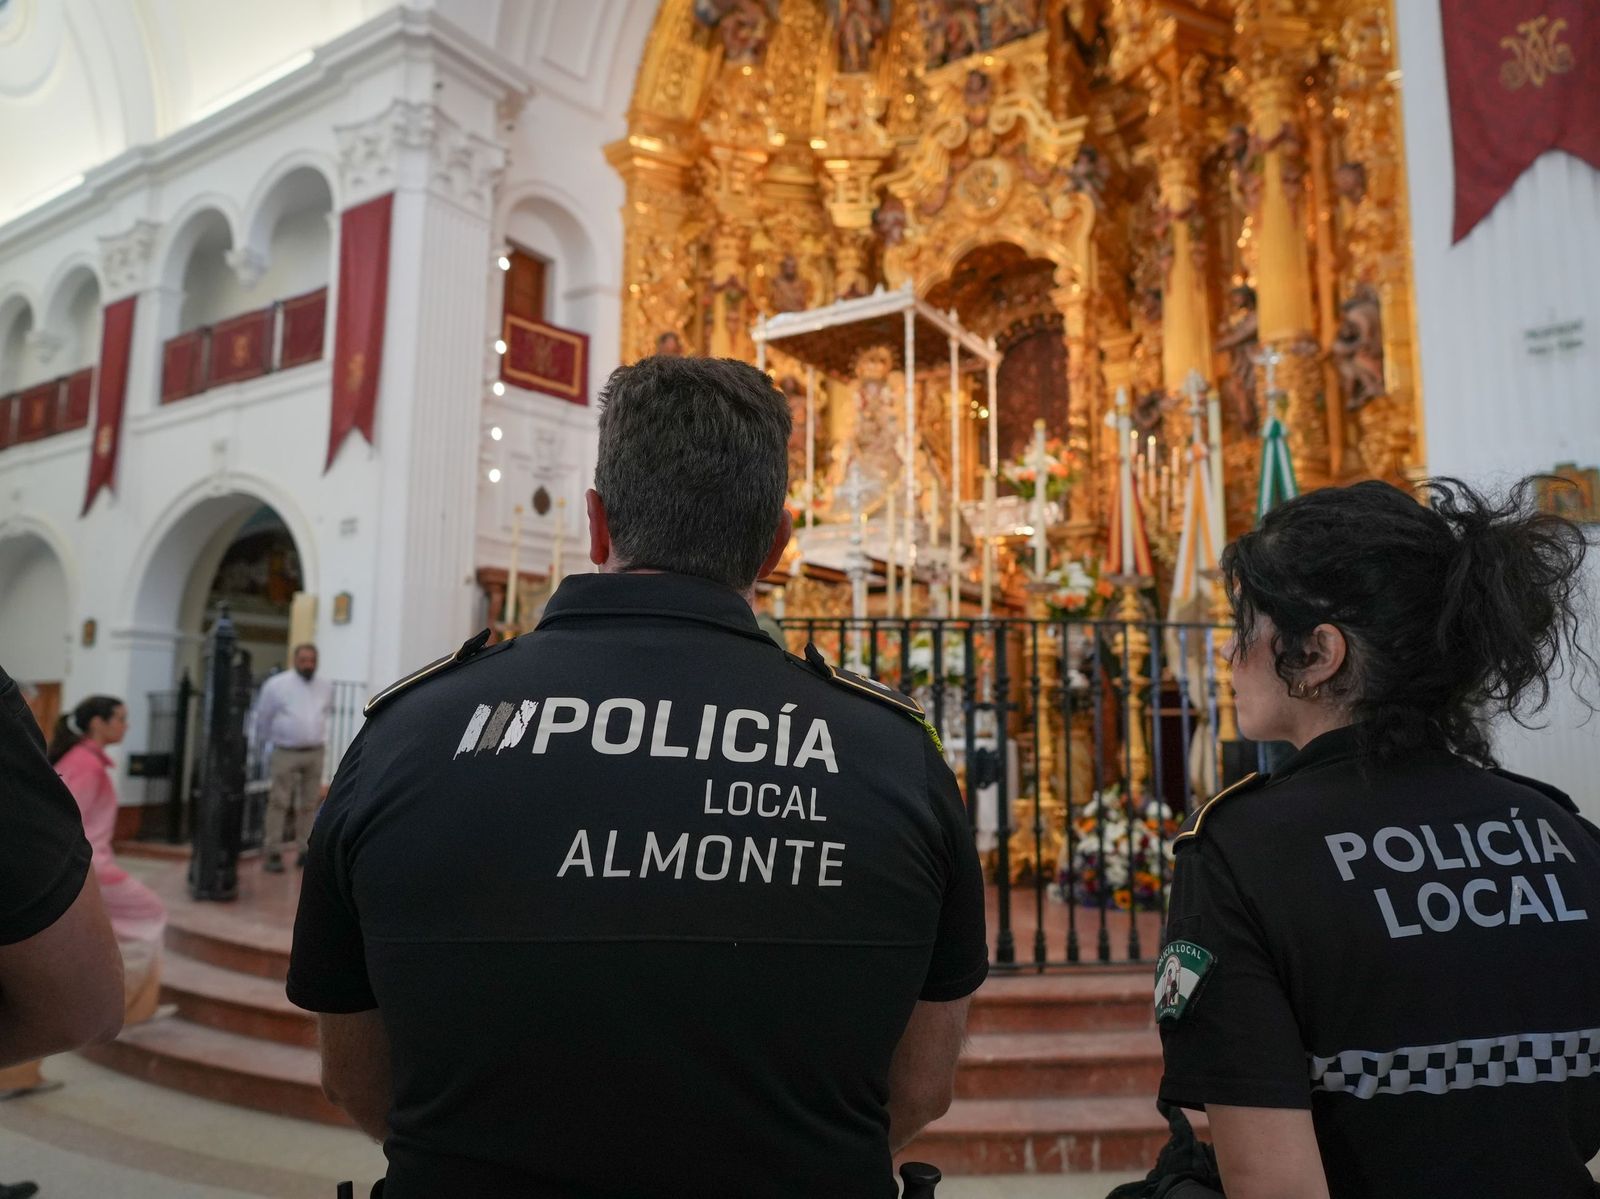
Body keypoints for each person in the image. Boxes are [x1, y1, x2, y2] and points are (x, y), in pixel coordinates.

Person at [288, 355, 988, 1198]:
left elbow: (353, 1077)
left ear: (595, 522)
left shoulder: (405, 736)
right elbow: (922, 1087)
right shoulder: (894, 755)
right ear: (778, 543)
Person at [1155, 477, 1599, 1198]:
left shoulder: (1243, 852)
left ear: (1318, 652)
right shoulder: (1564, 832)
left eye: (1246, 625)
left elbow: (1278, 1186)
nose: (1228, 652)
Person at [0, 667, 123, 1103]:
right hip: (69, 876)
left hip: (64, 872)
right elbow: (86, 1013)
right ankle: (17, 1076)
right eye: (120, 718)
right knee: (40, 987)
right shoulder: (83, 765)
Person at [48, 696, 171, 1025]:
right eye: (120, 718)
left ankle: (116, 1008)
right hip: (92, 867)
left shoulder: (82, 760)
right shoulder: (86, 766)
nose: (126, 726)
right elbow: (71, 824)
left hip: (88, 866)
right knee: (149, 915)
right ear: (97, 723)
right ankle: (126, 1009)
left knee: (112, 931)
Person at [252, 643, 332, 872]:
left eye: (312, 660)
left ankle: (305, 849)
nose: (308, 664)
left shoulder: (325, 686)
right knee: (279, 802)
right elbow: (263, 718)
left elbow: (325, 713)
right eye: (303, 660)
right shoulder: (277, 685)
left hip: (314, 751)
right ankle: (273, 851)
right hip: (286, 751)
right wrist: (270, 744)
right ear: (294, 660)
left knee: (309, 803)